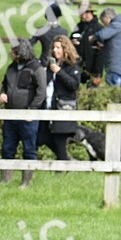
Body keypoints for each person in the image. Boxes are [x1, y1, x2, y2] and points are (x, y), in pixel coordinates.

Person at [0, 38, 46, 189]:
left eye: (13, 50)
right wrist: (3, 94)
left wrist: (32, 110)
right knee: (7, 147)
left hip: (28, 117)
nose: (11, 53)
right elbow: (4, 85)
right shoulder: (11, 68)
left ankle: (26, 181)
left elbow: (41, 91)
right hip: (10, 115)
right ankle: (6, 180)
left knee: (29, 148)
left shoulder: (36, 68)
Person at [38, 34, 83, 165]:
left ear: (65, 49)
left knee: (59, 140)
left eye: (58, 48)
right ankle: (66, 161)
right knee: (42, 138)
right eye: (53, 47)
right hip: (47, 109)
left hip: (63, 109)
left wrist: (59, 72)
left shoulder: (72, 66)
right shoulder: (49, 66)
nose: (55, 50)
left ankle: (63, 166)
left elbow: (73, 85)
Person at [95, 7, 121, 87]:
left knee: (114, 94)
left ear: (107, 17)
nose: (104, 25)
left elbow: (101, 35)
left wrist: (92, 37)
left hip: (115, 67)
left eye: (103, 21)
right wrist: (104, 48)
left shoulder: (115, 26)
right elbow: (117, 46)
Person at [72, 5, 104, 86]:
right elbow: (71, 38)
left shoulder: (98, 28)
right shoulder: (79, 26)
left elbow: (101, 52)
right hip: (78, 65)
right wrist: (72, 42)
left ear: (88, 13)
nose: (80, 16)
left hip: (93, 66)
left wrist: (97, 72)